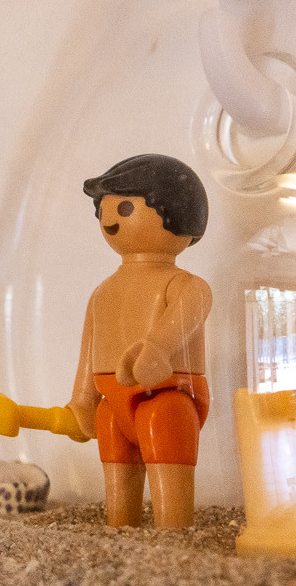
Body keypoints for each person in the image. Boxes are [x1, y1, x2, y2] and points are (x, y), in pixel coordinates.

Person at [65, 154, 213, 529]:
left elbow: (187, 317)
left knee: (169, 476)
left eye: (126, 207)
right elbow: (88, 350)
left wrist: (157, 350)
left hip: (166, 394)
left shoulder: (186, 285)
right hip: (111, 401)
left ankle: (173, 534)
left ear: (177, 215)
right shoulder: (102, 292)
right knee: (118, 485)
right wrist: (82, 398)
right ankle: (121, 530)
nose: (110, 219)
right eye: (104, 209)